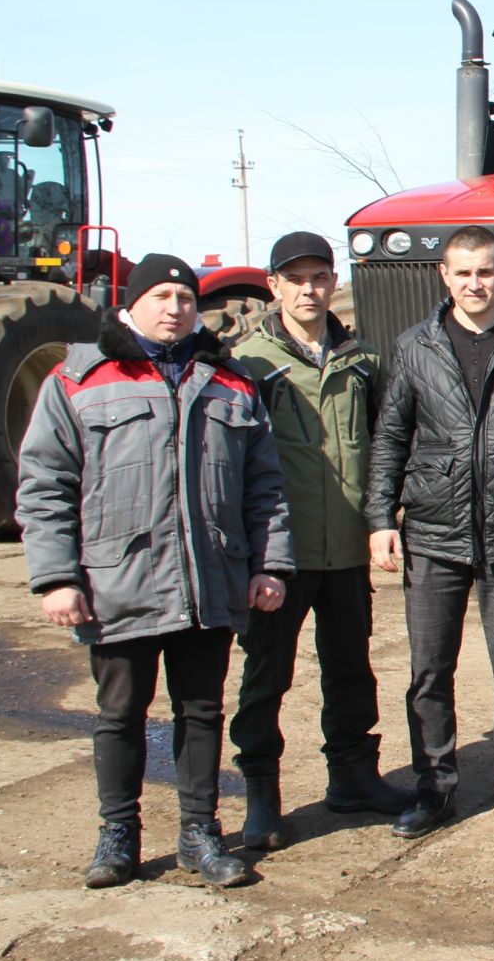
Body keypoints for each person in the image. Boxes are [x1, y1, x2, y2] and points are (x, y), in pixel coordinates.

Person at [17, 254, 295, 889]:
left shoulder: (231, 384)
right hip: (118, 582)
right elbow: (45, 485)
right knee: (120, 713)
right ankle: (117, 836)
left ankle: (201, 833)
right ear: (130, 306)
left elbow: (265, 488)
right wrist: (57, 577)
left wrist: (270, 564)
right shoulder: (78, 380)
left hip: (209, 579)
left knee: (200, 711)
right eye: (162, 295)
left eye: (186, 297)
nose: (175, 307)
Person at [366, 225, 494, 843]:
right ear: (445, 278)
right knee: (430, 671)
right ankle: (433, 789)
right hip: (434, 533)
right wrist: (380, 518)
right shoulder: (415, 347)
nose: (475, 283)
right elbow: (390, 438)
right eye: (464, 273)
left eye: (486, 271)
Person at [230, 233, 410, 853]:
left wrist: (383, 518)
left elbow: (384, 443)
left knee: (351, 669)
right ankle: (262, 796)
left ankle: (355, 777)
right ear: (273, 286)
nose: (309, 289)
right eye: (296, 278)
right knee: (266, 676)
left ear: (334, 283)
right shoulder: (248, 362)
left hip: (345, 550)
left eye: (319, 277)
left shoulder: (360, 359)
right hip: (280, 552)